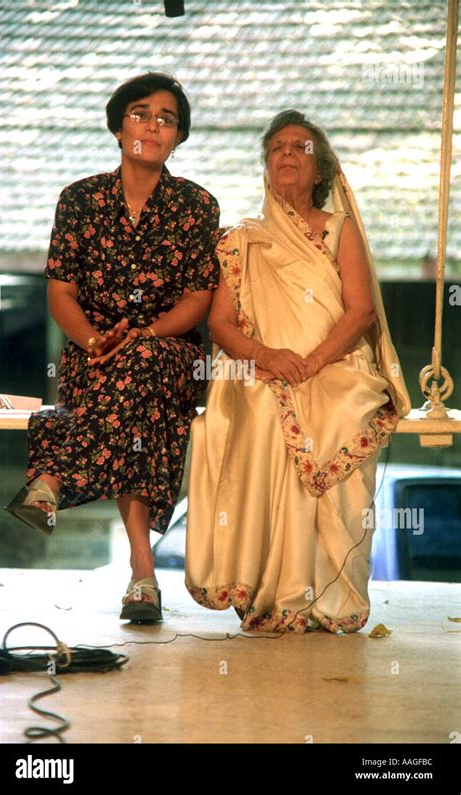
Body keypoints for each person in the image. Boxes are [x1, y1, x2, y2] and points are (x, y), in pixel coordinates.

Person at [185, 110, 411, 634]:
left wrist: (311, 361)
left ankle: (326, 597)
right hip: (262, 367)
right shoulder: (241, 240)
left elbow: (359, 312)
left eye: (300, 148)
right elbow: (220, 324)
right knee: (259, 407)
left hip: (335, 364)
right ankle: (272, 593)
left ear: (320, 168)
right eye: (278, 147)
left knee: (337, 412)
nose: (287, 154)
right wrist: (266, 357)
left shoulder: (339, 230)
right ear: (266, 166)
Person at [5, 72, 220, 623]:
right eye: (140, 113)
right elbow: (61, 293)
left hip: (168, 345)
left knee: (143, 364)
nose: (152, 125)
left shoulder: (197, 206)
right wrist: (98, 340)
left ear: (178, 137)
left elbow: (198, 297)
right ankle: (142, 577)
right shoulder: (78, 200)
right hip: (93, 350)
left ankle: (51, 479)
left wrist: (146, 334)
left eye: (166, 118)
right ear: (118, 127)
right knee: (135, 413)